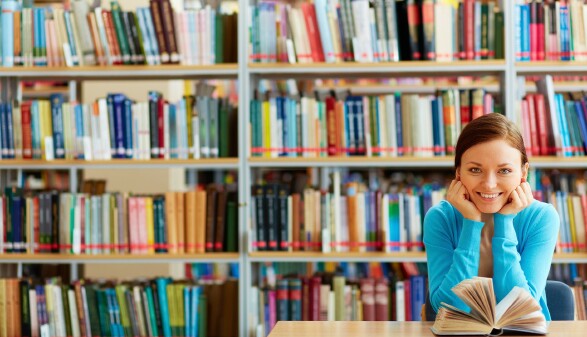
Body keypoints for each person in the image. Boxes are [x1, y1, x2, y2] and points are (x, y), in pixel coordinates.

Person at [424, 113, 560, 320]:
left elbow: (520, 309)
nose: (489, 184)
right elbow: (449, 306)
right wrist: (470, 223)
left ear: (523, 173)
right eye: (475, 169)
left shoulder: (541, 218)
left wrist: (504, 222)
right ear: (459, 172)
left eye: (504, 171)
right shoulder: (440, 218)